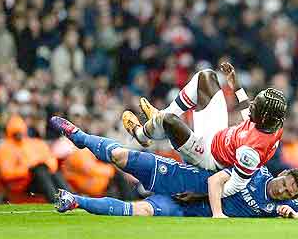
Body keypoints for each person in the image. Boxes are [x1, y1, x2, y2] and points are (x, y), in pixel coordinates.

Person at [49, 116, 298, 219]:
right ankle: (78, 136)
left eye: (289, 193)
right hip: (180, 178)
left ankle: (74, 202)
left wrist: (296, 215)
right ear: (283, 173)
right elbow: (216, 181)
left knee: (140, 211)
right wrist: (218, 214)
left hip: (184, 208)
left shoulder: (277, 209)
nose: (283, 190)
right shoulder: (255, 171)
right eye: (286, 183)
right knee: (121, 156)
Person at [122, 62, 287, 217]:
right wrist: (236, 86)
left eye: (255, 105)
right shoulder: (271, 125)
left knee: (169, 121)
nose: (252, 105)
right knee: (206, 77)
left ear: (264, 116)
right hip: (219, 135)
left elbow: (235, 185)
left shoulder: (251, 152)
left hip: (209, 158)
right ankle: (157, 115)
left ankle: (141, 134)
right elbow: (247, 115)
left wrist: (201, 194)